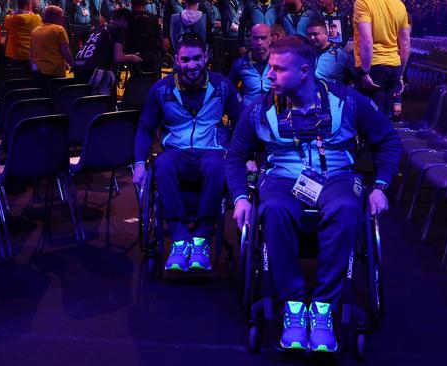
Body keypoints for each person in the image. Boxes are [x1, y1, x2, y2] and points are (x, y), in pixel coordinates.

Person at [226, 35, 401, 353]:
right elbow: (236, 154)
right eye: (269, 68)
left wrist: (381, 186)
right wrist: (239, 197)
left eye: (278, 70)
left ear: (305, 71)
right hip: (281, 175)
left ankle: (322, 310)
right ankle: (293, 307)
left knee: (347, 208)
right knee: (274, 209)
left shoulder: (347, 100)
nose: (269, 75)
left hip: (337, 175)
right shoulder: (260, 108)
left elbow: (387, 140)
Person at [133, 36, 243, 272]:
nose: (191, 65)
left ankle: (202, 238)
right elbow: (145, 127)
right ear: (177, 61)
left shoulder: (222, 85)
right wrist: (140, 163)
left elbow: (241, 119)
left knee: (218, 166)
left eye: (196, 58)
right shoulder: (161, 89)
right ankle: (180, 239)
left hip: (211, 151)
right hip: (177, 152)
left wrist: (240, 154)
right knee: (162, 164)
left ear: (205, 58)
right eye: (185, 59)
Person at [354, 0, 411, 116]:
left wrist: (365, 72)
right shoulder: (399, 5)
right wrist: (400, 74)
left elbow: (367, 40)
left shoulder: (363, 3)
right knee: (384, 115)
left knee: (370, 117)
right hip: (394, 66)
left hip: (372, 67)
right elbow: (405, 43)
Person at [72, 7, 142, 94]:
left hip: (78, 68)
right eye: (128, 22)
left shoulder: (97, 28)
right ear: (122, 19)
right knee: (103, 100)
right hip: (95, 72)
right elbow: (118, 57)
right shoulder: (118, 30)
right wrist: (132, 57)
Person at [29, 5, 73, 88]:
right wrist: (73, 66)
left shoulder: (35, 30)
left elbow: (31, 53)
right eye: (61, 16)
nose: (63, 19)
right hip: (54, 73)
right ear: (55, 17)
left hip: (37, 72)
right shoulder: (59, 29)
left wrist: (34, 69)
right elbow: (65, 52)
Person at [228, 23, 271, 106]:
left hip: (273, 113)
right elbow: (230, 90)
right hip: (248, 112)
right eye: (255, 38)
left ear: (270, 40)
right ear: (250, 40)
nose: (259, 42)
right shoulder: (240, 64)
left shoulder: (278, 63)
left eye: (263, 38)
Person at [306, 19, 354, 84]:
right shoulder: (305, 54)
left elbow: (356, 79)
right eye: (309, 35)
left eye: (315, 34)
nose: (312, 37)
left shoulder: (340, 55)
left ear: (326, 34)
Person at [4, 0, 42, 71]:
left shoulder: (9, 19)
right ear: (29, 5)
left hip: (14, 55)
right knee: (35, 72)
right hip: (31, 56)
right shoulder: (36, 18)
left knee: (17, 76)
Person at [128, 0, 162, 75]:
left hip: (134, 55)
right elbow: (158, 37)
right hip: (151, 55)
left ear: (131, 4)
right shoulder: (153, 18)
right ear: (143, 4)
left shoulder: (128, 18)